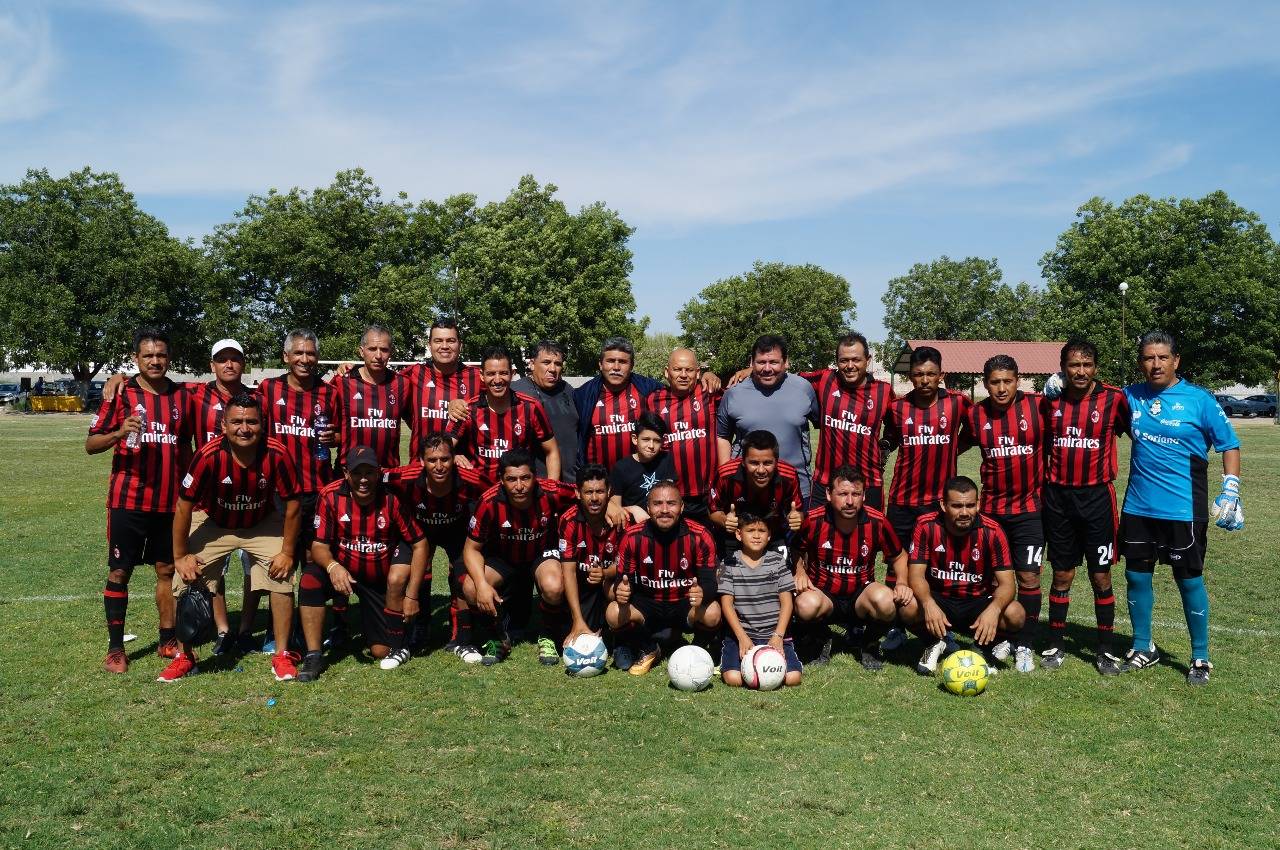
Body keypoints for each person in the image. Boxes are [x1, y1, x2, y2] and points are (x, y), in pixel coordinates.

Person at [1118, 330, 1241, 685]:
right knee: (1136, 576)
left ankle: (1200, 657)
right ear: (1141, 362)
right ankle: (1144, 647)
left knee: (1188, 580)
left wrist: (1230, 488)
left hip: (1184, 511)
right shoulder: (1129, 397)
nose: (1155, 364)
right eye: (1147, 358)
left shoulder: (1199, 400)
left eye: (1162, 358)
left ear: (1176, 361)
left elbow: (1229, 445)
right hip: (1139, 507)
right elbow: (1094, 402)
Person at [159, 394, 302, 682]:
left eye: (252, 421)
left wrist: (287, 551)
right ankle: (186, 656)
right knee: (186, 576)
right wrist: (179, 556)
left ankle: (282, 655)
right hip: (216, 523)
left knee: (282, 575)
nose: (244, 428)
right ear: (223, 425)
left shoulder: (277, 453)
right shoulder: (208, 455)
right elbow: (183, 506)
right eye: (237, 421)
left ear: (263, 425)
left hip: (261, 522)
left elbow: (294, 504)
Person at [86, 328, 190, 673]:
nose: (155, 361)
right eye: (148, 356)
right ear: (136, 359)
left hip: (168, 503)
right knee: (119, 572)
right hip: (128, 501)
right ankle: (116, 649)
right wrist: (118, 432)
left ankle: (167, 639)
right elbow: (91, 444)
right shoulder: (121, 393)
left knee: (167, 571)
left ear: (169, 358)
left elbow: (187, 446)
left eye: (161, 355)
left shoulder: (182, 395)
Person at [299, 446, 429, 680]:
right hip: (343, 573)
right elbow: (318, 546)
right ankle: (314, 655)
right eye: (357, 473)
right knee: (309, 580)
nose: (363, 479)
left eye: (369, 472)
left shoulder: (391, 499)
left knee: (381, 651)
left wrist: (411, 595)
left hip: (378, 579)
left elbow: (419, 542)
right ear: (346, 473)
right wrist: (332, 566)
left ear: (378, 473)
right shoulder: (330, 496)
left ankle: (399, 631)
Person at [1040, 339, 1130, 674]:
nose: (1081, 371)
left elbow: (1136, 431)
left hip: (1097, 500)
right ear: (1062, 367)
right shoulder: (1050, 401)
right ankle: (1055, 644)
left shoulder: (1114, 398)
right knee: (1062, 574)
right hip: (1058, 499)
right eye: (1074, 365)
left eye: (1087, 364)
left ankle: (1105, 649)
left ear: (1096, 367)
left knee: (1100, 575)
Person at [255, 330, 344, 650]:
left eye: (310, 354)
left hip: (319, 492)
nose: (305, 359)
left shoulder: (329, 393)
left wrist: (333, 439)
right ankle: (276, 631)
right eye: (298, 354)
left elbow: (341, 437)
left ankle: (315, 631)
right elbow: (252, 430)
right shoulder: (269, 389)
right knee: (280, 563)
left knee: (313, 561)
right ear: (286, 357)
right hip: (280, 493)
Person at [959, 355, 1045, 673]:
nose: (1001, 388)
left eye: (1007, 381)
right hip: (992, 514)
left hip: (1030, 511)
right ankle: (999, 638)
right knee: (995, 581)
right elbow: (953, 446)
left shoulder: (1038, 408)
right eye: (994, 382)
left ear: (1018, 380)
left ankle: (1026, 643)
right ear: (985, 384)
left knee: (1028, 576)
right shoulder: (975, 414)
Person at [459, 449, 576, 666]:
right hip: (503, 558)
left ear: (535, 477)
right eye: (511, 479)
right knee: (471, 588)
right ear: (501, 480)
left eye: (525, 478)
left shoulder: (551, 491)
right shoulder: (489, 501)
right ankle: (497, 636)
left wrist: (613, 506)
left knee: (554, 586)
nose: (519, 486)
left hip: (541, 554)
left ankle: (548, 635)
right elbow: (471, 549)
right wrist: (482, 585)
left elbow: (585, 493)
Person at [793, 466, 914, 670]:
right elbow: (796, 548)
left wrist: (902, 581)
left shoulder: (877, 521)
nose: (850, 501)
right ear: (829, 495)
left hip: (860, 597)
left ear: (864, 495)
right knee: (805, 605)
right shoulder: (813, 520)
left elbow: (899, 555)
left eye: (856, 494)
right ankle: (822, 637)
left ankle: (869, 643)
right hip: (824, 595)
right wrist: (800, 571)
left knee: (886, 601)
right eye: (843, 494)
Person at [903, 476, 1025, 674]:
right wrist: (928, 603)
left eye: (970, 505)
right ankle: (935, 642)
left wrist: (993, 609)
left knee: (1016, 613)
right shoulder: (926, 526)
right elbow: (916, 575)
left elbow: (1008, 584)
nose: (964, 512)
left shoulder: (992, 531)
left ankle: (981, 649)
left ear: (978, 504)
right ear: (943, 505)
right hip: (940, 599)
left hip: (977, 602)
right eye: (957, 506)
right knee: (906, 605)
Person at [383, 434, 487, 661]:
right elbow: (373, 477)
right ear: (421, 461)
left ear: (454, 458)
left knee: (463, 580)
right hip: (419, 534)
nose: (439, 466)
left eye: (445, 459)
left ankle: (464, 640)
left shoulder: (470, 479)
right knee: (397, 578)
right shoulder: (405, 477)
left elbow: (496, 490)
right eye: (432, 460)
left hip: (457, 534)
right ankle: (398, 644)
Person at [608, 481, 722, 675]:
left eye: (671, 503)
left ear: (682, 507)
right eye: (657, 503)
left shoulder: (700, 536)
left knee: (712, 611)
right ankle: (648, 648)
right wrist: (621, 589)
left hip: (684, 602)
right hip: (647, 603)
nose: (664, 510)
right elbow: (622, 579)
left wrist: (703, 592)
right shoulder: (632, 537)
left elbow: (710, 582)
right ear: (648, 507)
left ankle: (696, 651)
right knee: (613, 611)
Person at [717, 335, 821, 502]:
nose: (767, 368)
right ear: (751, 362)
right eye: (761, 362)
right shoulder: (733, 393)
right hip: (746, 490)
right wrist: (726, 477)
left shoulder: (803, 388)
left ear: (786, 362)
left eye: (773, 362)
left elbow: (822, 426)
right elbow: (723, 437)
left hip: (796, 489)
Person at [800, 333, 895, 510]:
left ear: (868, 360)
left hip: (867, 484)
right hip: (826, 482)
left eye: (856, 360)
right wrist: (752, 370)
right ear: (836, 361)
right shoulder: (826, 380)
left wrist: (886, 444)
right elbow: (789, 379)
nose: (850, 366)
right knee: (819, 535)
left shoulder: (883, 392)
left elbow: (896, 425)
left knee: (867, 537)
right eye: (844, 360)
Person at [450, 346, 560, 486]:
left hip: (520, 493)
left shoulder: (530, 407)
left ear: (512, 374)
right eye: (491, 374)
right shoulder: (468, 410)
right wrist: (453, 455)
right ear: (482, 375)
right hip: (479, 494)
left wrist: (551, 488)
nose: (497, 380)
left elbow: (552, 451)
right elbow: (442, 448)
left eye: (503, 373)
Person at [718, 512, 802, 687]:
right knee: (734, 679)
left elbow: (787, 602)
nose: (756, 535)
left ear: (769, 535)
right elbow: (726, 604)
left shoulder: (778, 561)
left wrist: (778, 635)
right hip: (741, 635)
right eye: (750, 530)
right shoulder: (729, 563)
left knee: (793, 679)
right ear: (738, 534)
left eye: (762, 530)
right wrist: (741, 637)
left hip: (773, 635)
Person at [646, 347, 721, 522]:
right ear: (667, 372)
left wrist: (713, 375)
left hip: (707, 493)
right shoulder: (653, 400)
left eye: (689, 370)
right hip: (671, 495)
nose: (683, 374)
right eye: (677, 369)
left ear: (697, 373)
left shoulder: (708, 393)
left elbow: (742, 385)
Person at [560, 464, 630, 648]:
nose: (594, 498)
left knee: (617, 589)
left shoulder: (622, 520)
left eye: (599, 491)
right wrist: (577, 619)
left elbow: (629, 564)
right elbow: (568, 572)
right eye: (588, 492)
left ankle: (623, 641)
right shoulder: (568, 521)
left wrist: (606, 573)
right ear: (577, 494)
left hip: (611, 581)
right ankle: (558, 630)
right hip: (584, 585)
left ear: (608, 492)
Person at [708, 429, 804, 556]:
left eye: (768, 463)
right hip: (733, 535)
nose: (761, 470)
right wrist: (725, 521)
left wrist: (796, 518)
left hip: (772, 535)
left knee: (784, 572)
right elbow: (712, 510)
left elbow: (798, 512)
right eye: (754, 463)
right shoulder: (725, 475)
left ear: (776, 461)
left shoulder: (789, 476)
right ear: (743, 461)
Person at [400, 317, 484, 460]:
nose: (444, 346)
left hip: (463, 470)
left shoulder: (477, 377)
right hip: (421, 468)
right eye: (438, 341)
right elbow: (380, 384)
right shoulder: (414, 373)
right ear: (429, 345)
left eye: (451, 341)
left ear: (460, 345)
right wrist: (352, 371)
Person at [573, 337, 661, 472]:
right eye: (610, 361)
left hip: (638, 478)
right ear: (600, 364)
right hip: (599, 481)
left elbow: (678, 392)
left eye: (623, 362)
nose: (616, 367)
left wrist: (705, 376)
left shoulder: (648, 389)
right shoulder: (583, 395)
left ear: (631, 366)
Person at [332, 325, 412, 469]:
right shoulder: (342, 381)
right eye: (372, 349)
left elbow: (417, 423)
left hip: (387, 474)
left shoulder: (403, 384)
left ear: (391, 352)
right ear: (361, 352)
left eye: (384, 350)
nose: (378, 355)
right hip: (349, 473)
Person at [511, 340, 579, 483]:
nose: (553, 369)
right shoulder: (515, 392)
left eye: (558, 364)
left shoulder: (568, 390)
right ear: (532, 364)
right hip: (535, 484)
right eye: (546, 362)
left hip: (571, 483)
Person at [608, 412, 676, 520]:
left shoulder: (666, 459)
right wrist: (633, 509)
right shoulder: (620, 468)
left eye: (657, 441)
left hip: (661, 521)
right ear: (635, 439)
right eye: (646, 439)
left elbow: (670, 497)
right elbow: (615, 509)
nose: (651, 446)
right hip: (633, 526)